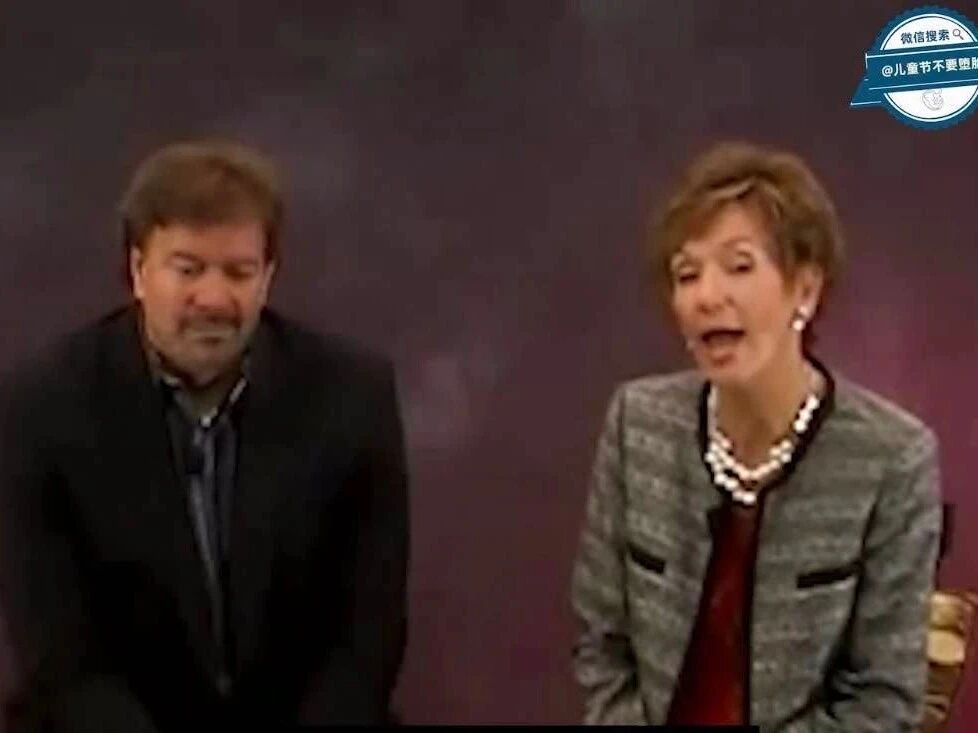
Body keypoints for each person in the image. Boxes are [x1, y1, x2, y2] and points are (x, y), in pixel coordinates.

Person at [0, 140, 409, 730]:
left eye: (239, 272)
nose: (214, 299)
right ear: (138, 271)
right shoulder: (43, 406)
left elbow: (366, 638)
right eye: (188, 269)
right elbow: (62, 658)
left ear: (268, 277)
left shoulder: (353, 397)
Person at [570, 141, 941, 729]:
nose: (705, 296)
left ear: (805, 290)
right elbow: (602, 646)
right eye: (686, 274)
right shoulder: (637, 425)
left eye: (739, 266)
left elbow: (882, 700)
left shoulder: (892, 459)